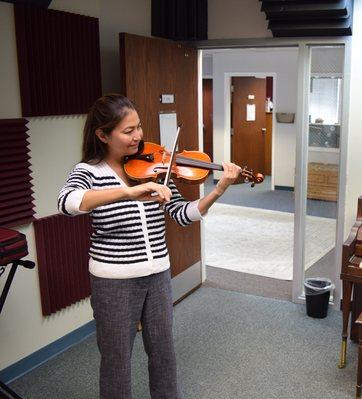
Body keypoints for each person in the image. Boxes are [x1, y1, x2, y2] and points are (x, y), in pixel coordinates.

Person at [57, 94, 241, 398]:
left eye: (138, 127)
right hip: (113, 282)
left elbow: (183, 215)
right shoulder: (89, 172)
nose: (138, 136)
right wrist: (128, 192)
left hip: (157, 276)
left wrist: (218, 189)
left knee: (164, 355)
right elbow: (68, 203)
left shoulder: (155, 169)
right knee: (117, 362)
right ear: (103, 135)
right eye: (127, 131)